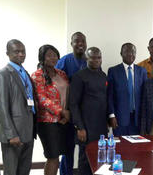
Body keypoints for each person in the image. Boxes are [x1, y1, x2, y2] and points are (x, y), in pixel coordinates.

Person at [0, 39, 36, 175]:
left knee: (24, 170)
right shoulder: (2, 75)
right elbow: (2, 107)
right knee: (11, 172)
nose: (21, 54)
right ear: (8, 53)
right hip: (13, 135)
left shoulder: (25, 73)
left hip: (28, 131)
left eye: (23, 51)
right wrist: (11, 134)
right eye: (17, 51)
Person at [31, 45, 70, 175]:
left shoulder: (62, 74)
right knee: (52, 157)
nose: (53, 58)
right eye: (49, 55)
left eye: (55, 55)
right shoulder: (37, 75)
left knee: (57, 155)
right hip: (47, 122)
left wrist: (67, 114)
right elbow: (41, 99)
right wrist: (61, 111)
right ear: (42, 58)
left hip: (63, 121)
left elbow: (68, 94)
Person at [70, 47, 108, 175]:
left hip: (101, 127)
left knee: (100, 159)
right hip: (86, 127)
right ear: (86, 58)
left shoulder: (103, 76)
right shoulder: (79, 76)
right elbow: (73, 104)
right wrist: (79, 127)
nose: (96, 60)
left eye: (99, 57)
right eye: (93, 57)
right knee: (85, 159)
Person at [55, 32, 87, 175]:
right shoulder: (64, 61)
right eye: (77, 41)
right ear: (71, 44)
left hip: (85, 114)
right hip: (68, 113)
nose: (80, 43)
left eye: (83, 41)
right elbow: (55, 84)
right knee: (68, 150)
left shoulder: (90, 60)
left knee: (84, 149)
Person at [107, 43, 147, 136]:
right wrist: (111, 115)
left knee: (136, 148)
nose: (130, 54)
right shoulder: (113, 71)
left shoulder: (142, 71)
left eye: (133, 52)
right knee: (121, 147)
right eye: (127, 51)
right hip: (119, 119)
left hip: (138, 119)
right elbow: (110, 95)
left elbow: (144, 96)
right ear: (121, 53)